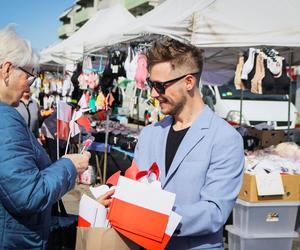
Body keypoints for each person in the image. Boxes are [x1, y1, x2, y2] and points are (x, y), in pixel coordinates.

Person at [134, 38, 244, 250]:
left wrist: (159, 219)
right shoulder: (149, 134)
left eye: (160, 86)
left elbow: (215, 211)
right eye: (151, 84)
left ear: (189, 82)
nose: (154, 93)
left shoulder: (225, 138)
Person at [0, 26, 95, 249]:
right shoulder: (5, 119)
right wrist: (69, 165)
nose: (29, 86)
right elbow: (29, 195)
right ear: (6, 69)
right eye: (29, 77)